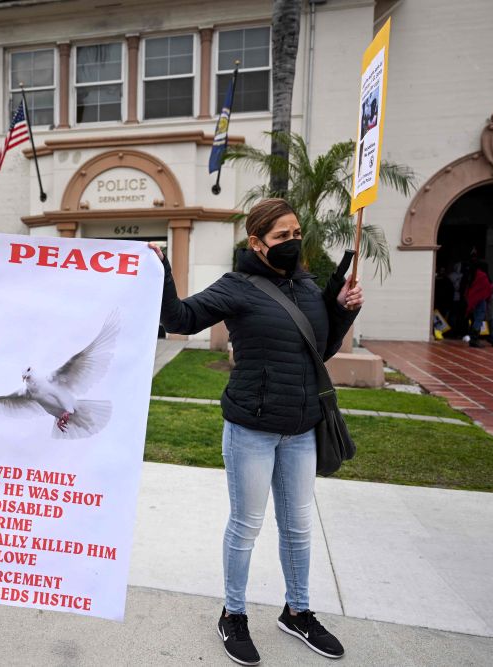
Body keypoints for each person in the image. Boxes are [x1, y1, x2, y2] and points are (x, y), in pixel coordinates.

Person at [153, 198, 362, 665]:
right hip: (252, 429)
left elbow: (320, 351)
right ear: (257, 243)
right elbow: (179, 320)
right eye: (281, 236)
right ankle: (234, 614)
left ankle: (298, 612)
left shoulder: (308, 287)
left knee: (298, 528)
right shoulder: (237, 287)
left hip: (302, 428)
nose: (292, 242)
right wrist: (162, 269)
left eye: (295, 234)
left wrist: (343, 309)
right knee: (246, 527)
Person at [464, 262, 491, 348]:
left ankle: (473, 339)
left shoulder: (473, 275)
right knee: (479, 319)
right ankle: (474, 339)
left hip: (474, 300)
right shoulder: (482, 275)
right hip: (480, 300)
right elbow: (487, 287)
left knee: (475, 319)